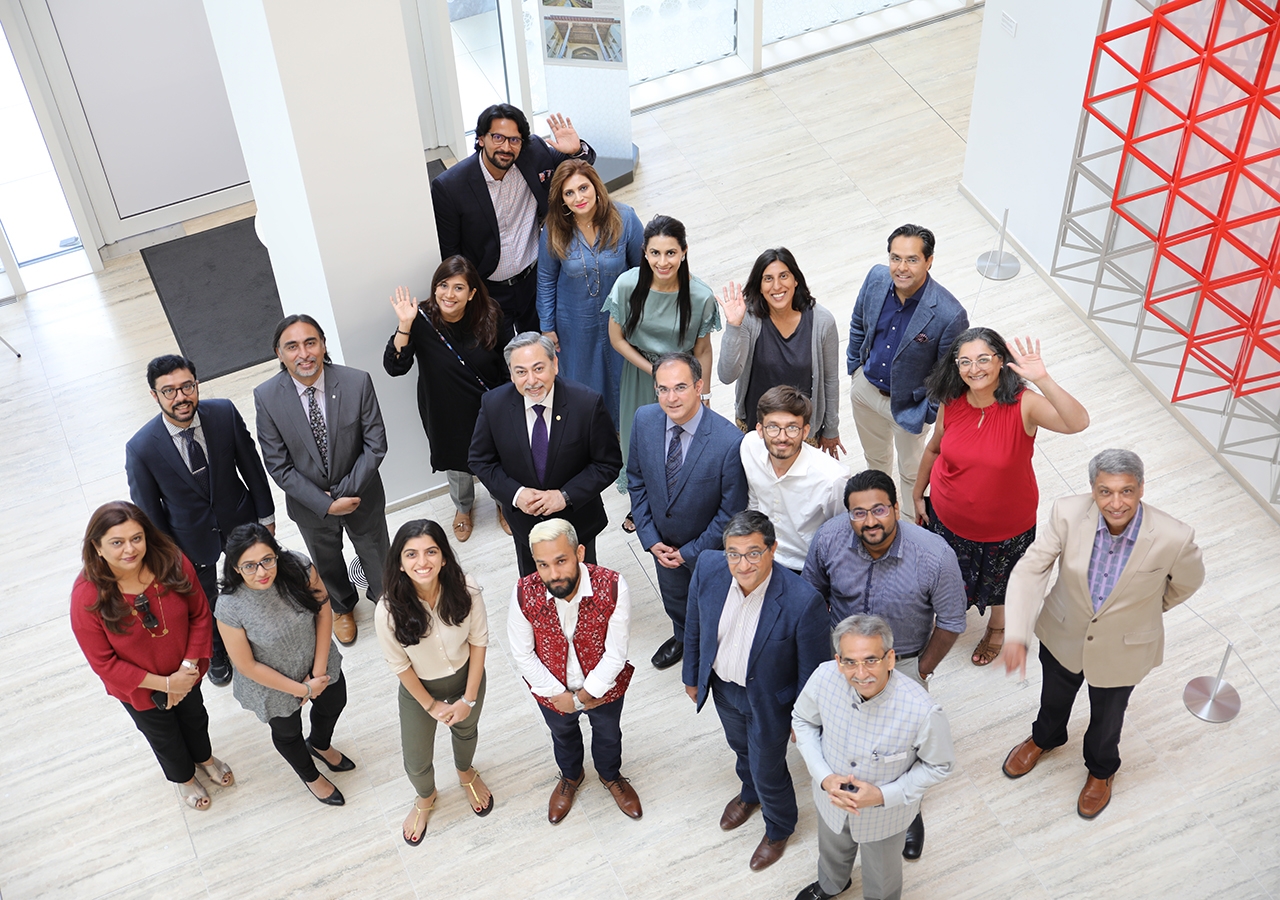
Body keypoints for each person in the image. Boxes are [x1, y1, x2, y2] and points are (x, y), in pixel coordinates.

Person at [1001, 450, 1204, 819]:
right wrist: (1016, 632)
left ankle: (1101, 769)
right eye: (1105, 491)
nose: (1116, 503)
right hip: (1063, 632)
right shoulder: (1066, 513)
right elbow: (1033, 569)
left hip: (1124, 648)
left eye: (1126, 491)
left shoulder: (1174, 536)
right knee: (1053, 697)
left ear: (1141, 488)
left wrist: (1149, 609)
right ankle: (1046, 738)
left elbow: (1188, 582)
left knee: (1109, 718)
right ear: (1092, 490)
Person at [802, 468, 966, 860]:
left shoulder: (934, 555)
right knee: (838, 729)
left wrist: (921, 669)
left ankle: (908, 815)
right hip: (843, 658)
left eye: (879, 510)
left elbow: (952, 621)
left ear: (896, 507)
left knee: (903, 750)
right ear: (848, 515)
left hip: (903, 660)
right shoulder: (829, 538)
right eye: (859, 513)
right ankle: (841, 792)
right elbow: (810, 595)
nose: (870, 521)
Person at [914, 328, 1089, 666]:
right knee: (948, 576)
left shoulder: (1024, 405)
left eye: (983, 359)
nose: (974, 369)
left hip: (1006, 527)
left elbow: (1077, 422)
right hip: (947, 518)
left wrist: (1044, 378)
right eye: (965, 361)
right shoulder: (952, 401)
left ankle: (997, 628)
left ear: (1000, 361)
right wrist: (918, 492)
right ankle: (945, 617)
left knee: (1003, 585)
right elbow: (934, 447)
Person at [683, 511, 828, 872]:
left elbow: (814, 670)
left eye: (752, 553)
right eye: (734, 553)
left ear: (772, 550)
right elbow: (695, 623)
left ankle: (779, 828)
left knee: (768, 768)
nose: (742, 564)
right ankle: (750, 795)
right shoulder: (708, 567)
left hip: (770, 701)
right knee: (740, 748)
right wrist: (692, 675)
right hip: (722, 689)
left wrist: (804, 718)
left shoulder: (802, 601)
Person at [70, 501, 233, 811]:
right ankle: (185, 779)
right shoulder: (86, 596)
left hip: (186, 673)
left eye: (136, 538)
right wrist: (163, 684)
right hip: (141, 689)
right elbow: (104, 663)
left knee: (196, 719)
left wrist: (185, 671)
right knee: (163, 736)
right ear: (97, 547)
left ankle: (205, 758)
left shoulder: (170, 560)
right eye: (116, 543)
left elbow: (199, 614)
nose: (129, 549)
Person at [126, 354, 276, 686]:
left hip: (240, 519)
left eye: (186, 386)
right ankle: (218, 650)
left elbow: (252, 467)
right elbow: (149, 512)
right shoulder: (141, 448)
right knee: (203, 601)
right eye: (169, 391)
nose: (180, 397)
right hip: (189, 537)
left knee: (254, 581)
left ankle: (259, 638)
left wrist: (266, 517)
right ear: (154, 395)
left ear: (196, 383)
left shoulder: (223, 413)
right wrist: (168, 556)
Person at [791, 615, 955, 900]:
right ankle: (832, 884)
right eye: (850, 661)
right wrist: (824, 776)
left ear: (890, 658)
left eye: (871, 660)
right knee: (831, 850)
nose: (861, 673)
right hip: (830, 799)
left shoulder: (923, 711)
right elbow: (802, 721)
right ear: (838, 660)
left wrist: (881, 795)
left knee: (882, 873)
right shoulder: (823, 677)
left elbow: (939, 765)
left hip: (885, 815)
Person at [254, 314, 391, 646]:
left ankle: (388, 604)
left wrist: (345, 493)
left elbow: (376, 445)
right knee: (325, 560)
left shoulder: (357, 382)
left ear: (323, 345)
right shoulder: (267, 397)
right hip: (310, 507)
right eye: (292, 346)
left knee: (377, 554)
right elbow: (278, 465)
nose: (304, 353)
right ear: (279, 353)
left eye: (310, 342)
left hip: (362, 496)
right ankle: (342, 607)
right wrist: (327, 504)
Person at [507, 519, 642, 824]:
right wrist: (558, 694)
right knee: (562, 735)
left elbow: (617, 652)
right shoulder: (523, 593)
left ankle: (610, 775)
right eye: (542, 565)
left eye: (561, 561)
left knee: (608, 734)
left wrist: (586, 693)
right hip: (551, 691)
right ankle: (571, 775)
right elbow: (522, 654)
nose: (553, 574)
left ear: (580, 553)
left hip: (603, 686)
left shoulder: (613, 585)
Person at [216, 524, 352, 806]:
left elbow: (324, 610)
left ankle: (319, 744)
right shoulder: (230, 606)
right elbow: (247, 665)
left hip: (317, 662)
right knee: (288, 733)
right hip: (272, 685)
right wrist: (303, 689)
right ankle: (311, 776)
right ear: (236, 568)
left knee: (335, 702)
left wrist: (317, 672)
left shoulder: (299, 567)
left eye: (267, 560)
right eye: (250, 566)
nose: (262, 572)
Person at [627, 351, 747, 670]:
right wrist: (651, 539)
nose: (671, 397)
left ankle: (716, 649)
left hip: (708, 551)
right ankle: (682, 636)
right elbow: (636, 481)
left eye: (680, 387)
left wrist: (689, 552)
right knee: (675, 600)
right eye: (663, 389)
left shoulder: (729, 442)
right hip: (662, 546)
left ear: (699, 385)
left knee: (715, 606)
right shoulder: (643, 419)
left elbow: (731, 512)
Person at [375, 519, 493, 846]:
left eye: (431, 551)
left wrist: (468, 698)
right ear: (399, 562)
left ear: (444, 557)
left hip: (467, 679)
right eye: (411, 554)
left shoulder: (467, 588)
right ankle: (425, 797)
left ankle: (466, 772)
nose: (422, 562)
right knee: (415, 758)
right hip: (419, 692)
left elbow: (479, 641)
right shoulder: (387, 611)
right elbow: (399, 665)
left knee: (467, 731)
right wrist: (430, 705)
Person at [431, 103, 596, 333]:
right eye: (497, 137)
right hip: (489, 290)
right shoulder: (450, 187)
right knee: (500, 358)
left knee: (545, 345)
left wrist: (575, 151)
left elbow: (577, 173)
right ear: (481, 139)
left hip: (535, 279)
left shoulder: (535, 153)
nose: (506, 147)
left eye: (514, 140)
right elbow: (451, 253)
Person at [469, 332, 622, 577]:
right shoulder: (493, 404)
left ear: (555, 364)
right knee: (536, 596)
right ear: (511, 373)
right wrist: (516, 494)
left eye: (538, 368)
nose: (531, 381)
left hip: (577, 524)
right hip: (525, 526)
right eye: (521, 372)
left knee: (582, 591)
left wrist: (565, 496)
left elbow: (608, 463)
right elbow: (480, 460)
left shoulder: (586, 404)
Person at [385, 256, 514, 543]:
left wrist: (506, 405)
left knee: (496, 460)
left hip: (487, 409)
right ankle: (463, 507)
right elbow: (395, 367)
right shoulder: (419, 320)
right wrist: (404, 325)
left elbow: (507, 364)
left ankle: (502, 503)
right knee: (456, 466)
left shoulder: (491, 314)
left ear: (471, 294)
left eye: (458, 288)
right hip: (444, 411)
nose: (448, 294)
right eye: (443, 285)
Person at [847, 224, 968, 520]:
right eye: (895, 258)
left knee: (911, 472)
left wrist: (928, 412)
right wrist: (855, 368)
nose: (901, 268)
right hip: (865, 391)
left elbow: (949, 377)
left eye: (912, 259)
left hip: (910, 407)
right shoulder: (876, 278)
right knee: (875, 459)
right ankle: (880, 513)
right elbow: (859, 323)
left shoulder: (949, 314)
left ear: (929, 261)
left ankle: (910, 527)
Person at [606, 214, 720, 519]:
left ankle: (677, 503)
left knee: (680, 443)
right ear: (644, 252)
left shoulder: (700, 296)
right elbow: (616, 339)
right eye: (655, 253)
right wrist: (654, 371)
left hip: (683, 379)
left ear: (684, 251)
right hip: (640, 376)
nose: (663, 261)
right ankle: (641, 506)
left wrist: (704, 395)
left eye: (671, 252)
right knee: (640, 444)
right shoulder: (627, 285)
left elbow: (703, 350)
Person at [537, 159, 644, 429]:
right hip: (574, 325)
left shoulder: (626, 218)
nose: (578, 198)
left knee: (622, 380)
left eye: (583, 188)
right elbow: (546, 279)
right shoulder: (554, 229)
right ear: (561, 199)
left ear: (596, 186)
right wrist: (547, 327)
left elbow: (644, 271)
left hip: (620, 320)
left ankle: (627, 439)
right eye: (569, 193)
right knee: (583, 386)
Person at [717, 248, 844, 456]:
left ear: (796, 280)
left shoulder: (822, 321)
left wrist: (831, 429)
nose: (777, 286)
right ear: (759, 285)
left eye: (783, 276)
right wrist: (733, 326)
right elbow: (726, 375)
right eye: (768, 278)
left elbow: (830, 380)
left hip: (802, 433)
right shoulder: (749, 319)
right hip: (756, 429)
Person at [741, 385, 847, 574]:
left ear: (805, 431)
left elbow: (842, 537)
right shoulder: (749, 446)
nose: (782, 438)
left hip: (806, 567)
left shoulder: (832, 480)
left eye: (792, 428)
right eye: (772, 427)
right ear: (759, 429)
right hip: (761, 555)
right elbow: (754, 501)